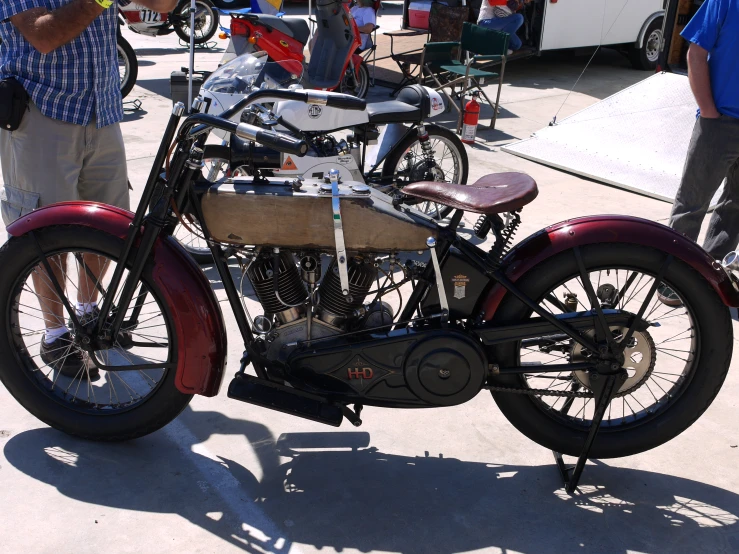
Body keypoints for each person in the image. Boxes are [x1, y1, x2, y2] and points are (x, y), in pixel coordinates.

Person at [0, 0, 176, 377]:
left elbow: (164, 5)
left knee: (108, 226)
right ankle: (55, 335)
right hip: (42, 109)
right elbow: (43, 35)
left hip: (103, 109)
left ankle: (87, 314)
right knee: (43, 233)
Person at [661, 0, 739, 306]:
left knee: (735, 208)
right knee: (692, 203)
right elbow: (695, 53)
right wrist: (708, 112)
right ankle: (672, 279)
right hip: (719, 124)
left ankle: (711, 276)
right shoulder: (724, 2)